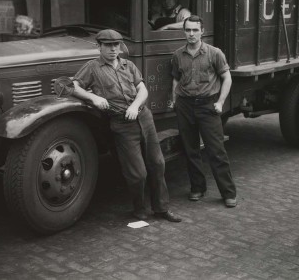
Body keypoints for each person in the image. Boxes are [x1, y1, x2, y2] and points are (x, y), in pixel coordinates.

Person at [70, 29, 182, 222]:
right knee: (138, 174)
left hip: (144, 118)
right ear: (99, 47)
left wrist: (135, 105)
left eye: (116, 45)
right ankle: (139, 209)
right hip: (122, 125)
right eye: (108, 45)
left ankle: (161, 209)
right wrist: (93, 97)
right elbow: (70, 86)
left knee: (158, 164)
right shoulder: (92, 67)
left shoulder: (128, 65)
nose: (114, 49)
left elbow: (142, 89)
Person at [170, 15, 237, 208]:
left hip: (208, 105)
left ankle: (228, 193)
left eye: (195, 30)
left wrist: (221, 102)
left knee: (216, 151)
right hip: (185, 105)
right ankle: (197, 188)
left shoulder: (214, 53)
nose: (191, 34)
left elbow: (227, 78)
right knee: (190, 150)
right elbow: (176, 79)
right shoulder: (177, 55)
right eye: (188, 30)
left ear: (202, 32)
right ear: (184, 32)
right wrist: (174, 101)